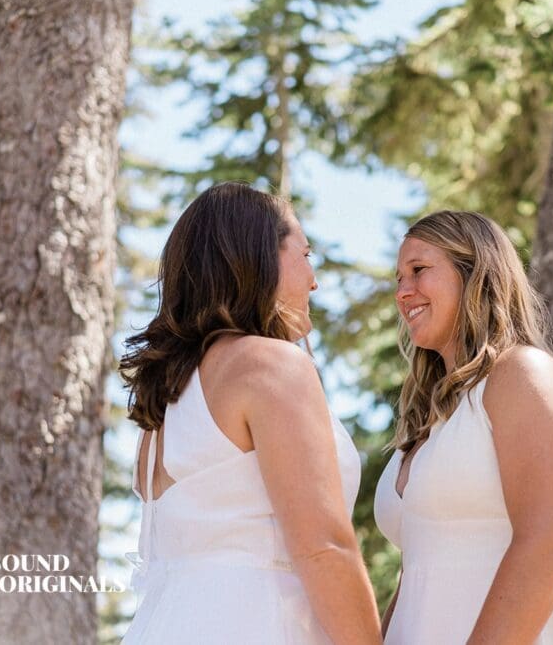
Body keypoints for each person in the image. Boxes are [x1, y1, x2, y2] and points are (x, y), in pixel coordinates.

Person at [119, 182, 380, 644]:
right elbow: (324, 548)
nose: (314, 280)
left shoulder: (164, 403)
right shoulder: (271, 363)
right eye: (305, 254)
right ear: (258, 258)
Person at [373, 210, 553, 644]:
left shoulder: (521, 375)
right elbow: (416, 575)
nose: (403, 292)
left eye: (418, 270)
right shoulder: (430, 419)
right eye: (399, 278)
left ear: (475, 274)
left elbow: (552, 542)